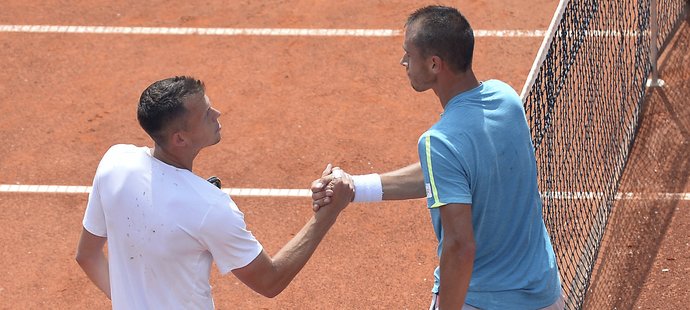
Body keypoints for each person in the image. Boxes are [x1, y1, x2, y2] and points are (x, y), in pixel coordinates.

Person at [311, 5, 563, 310]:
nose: (402, 61)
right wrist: (354, 187)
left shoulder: (438, 141)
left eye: (408, 53)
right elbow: (451, 171)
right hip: (546, 295)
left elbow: (460, 246)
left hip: (484, 302)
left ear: (434, 65)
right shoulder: (506, 99)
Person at [75, 76, 353, 309]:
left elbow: (87, 256)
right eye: (207, 114)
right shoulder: (210, 207)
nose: (217, 114)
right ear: (180, 138)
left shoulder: (115, 161)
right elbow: (270, 281)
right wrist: (329, 213)